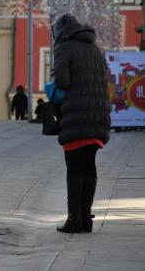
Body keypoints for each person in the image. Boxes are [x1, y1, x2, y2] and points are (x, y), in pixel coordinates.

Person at [52, 13, 111, 233]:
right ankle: (86, 219)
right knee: (89, 165)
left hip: (76, 115)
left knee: (74, 167)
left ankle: (74, 219)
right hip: (98, 115)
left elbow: (62, 81)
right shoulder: (95, 49)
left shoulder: (64, 49)